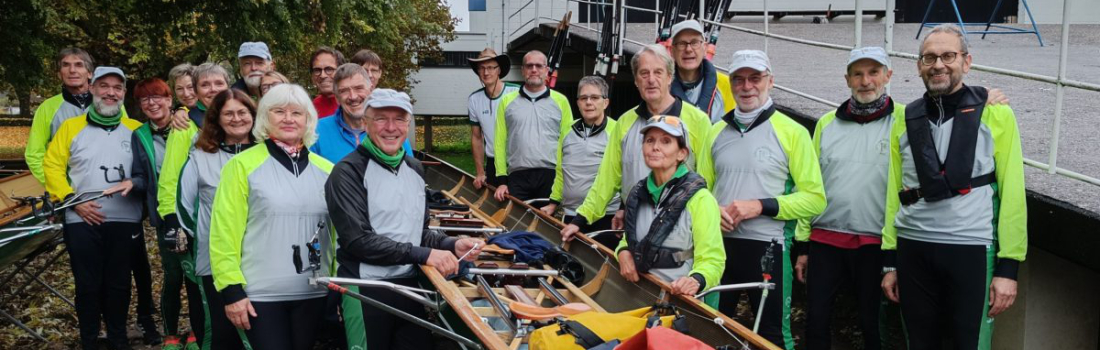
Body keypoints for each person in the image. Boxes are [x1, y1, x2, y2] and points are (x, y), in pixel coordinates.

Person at [880, 24, 1027, 350]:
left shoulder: (996, 114)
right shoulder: (904, 119)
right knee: (918, 342)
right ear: (919, 65)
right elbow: (894, 192)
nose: (938, 65)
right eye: (929, 57)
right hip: (913, 248)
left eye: (948, 56)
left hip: (970, 247)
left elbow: (1013, 193)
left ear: (966, 61)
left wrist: (1008, 268)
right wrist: (890, 261)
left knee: (970, 344)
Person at [325, 88, 482, 350]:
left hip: (408, 285)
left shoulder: (414, 169)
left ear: (408, 125)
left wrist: (452, 245)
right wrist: (424, 255)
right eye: (380, 118)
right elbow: (358, 241)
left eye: (399, 119)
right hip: (365, 288)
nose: (391, 127)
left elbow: (417, 233)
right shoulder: (347, 172)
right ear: (366, 122)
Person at [694, 50, 826, 350]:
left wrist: (760, 205)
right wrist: (712, 209)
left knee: (774, 337)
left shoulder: (793, 132)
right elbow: (700, 190)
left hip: (769, 248)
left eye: (755, 78)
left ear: (771, 81)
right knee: (712, 329)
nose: (746, 86)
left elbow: (815, 199)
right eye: (738, 79)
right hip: (719, 247)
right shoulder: (716, 132)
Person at [209, 84, 334, 350]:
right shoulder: (241, 166)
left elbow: (338, 236)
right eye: (279, 111)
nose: (288, 119)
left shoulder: (329, 171)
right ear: (265, 117)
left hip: (315, 291)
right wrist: (231, 290)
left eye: (297, 113)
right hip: (260, 295)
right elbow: (223, 233)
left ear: (308, 120)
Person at [793, 47, 899, 350]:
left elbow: (947, 106)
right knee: (816, 319)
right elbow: (809, 187)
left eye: (874, 72)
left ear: (888, 76)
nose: (866, 81)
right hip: (826, 239)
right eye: (858, 74)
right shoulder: (826, 123)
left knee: (871, 322)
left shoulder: (905, 120)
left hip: (875, 241)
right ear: (847, 79)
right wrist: (803, 244)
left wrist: (986, 99)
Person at [561, 44, 711, 242]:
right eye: (643, 73)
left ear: (669, 78)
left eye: (658, 72)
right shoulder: (624, 122)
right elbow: (607, 178)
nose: (651, 80)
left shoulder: (698, 121)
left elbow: (707, 182)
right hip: (634, 229)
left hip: (682, 232)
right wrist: (580, 220)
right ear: (636, 81)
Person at [43, 67, 144, 350]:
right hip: (81, 219)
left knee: (119, 284)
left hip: (126, 220)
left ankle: (118, 338)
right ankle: (88, 339)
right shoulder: (70, 128)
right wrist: (71, 200)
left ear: (123, 93)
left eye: (117, 87)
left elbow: (150, 170)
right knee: (87, 285)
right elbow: (52, 166)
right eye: (104, 86)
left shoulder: (137, 130)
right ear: (92, 89)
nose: (110, 92)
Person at [615, 115, 725, 308]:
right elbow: (629, 240)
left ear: (682, 153)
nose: (655, 147)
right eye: (650, 140)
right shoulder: (638, 193)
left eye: (666, 141)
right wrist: (623, 252)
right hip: (640, 294)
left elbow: (713, 260)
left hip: (680, 304)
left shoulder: (701, 200)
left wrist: (696, 280)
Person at [178, 89, 259, 350]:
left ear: (254, 116)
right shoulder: (201, 157)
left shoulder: (267, 155)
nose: (236, 119)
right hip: (215, 264)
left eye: (242, 112)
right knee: (221, 335)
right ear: (217, 119)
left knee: (259, 333)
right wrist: (203, 238)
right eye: (228, 113)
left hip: (261, 261)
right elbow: (184, 207)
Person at [27, 48, 129, 185]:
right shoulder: (47, 108)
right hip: (68, 195)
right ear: (59, 74)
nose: (72, 70)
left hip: (110, 184)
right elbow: (34, 154)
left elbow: (126, 143)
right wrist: (58, 187)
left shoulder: (111, 102)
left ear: (89, 73)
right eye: (66, 65)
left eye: (79, 65)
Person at [540, 76, 620, 248]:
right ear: (578, 103)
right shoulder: (568, 130)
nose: (588, 103)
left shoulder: (617, 130)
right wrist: (553, 202)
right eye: (584, 98)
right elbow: (561, 170)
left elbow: (623, 176)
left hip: (606, 217)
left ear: (605, 103)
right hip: (571, 214)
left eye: (594, 98)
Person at [158, 63, 233, 235]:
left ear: (228, 87)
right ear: (197, 92)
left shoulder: (242, 118)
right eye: (205, 85)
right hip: (203, 218)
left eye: (218, 84)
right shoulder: (185, 126)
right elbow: (171, 173)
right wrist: (171, 216)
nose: (212, 89)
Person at [492, 50, 574, 201]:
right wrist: (502, 181)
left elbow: (569, 143)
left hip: (551, 175)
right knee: (516, 223)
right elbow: (499, 143)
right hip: (517, 176)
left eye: (539, 66)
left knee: (547, 224)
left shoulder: (561, 101)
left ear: (547, 70)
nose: (534, 70)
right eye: (529, 66)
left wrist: (565, 179)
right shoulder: (506, 102)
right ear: (523, 70)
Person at [311, 64, 411, 162]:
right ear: (337, 98)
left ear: (371, 90)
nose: (353, 96)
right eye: (344, 91)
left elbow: (408, 173)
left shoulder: (392, 132)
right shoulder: (316, 131)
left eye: (359, 88)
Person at [466, 48, 519, 189]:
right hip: (493, 163)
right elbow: (477, 137)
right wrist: (479, 172)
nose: (486, 72)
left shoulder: (516, 93)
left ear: (499, 70)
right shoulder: (474, 99)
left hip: (518, 162)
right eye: (481, 68)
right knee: (495, 208)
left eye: (490, 67)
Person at [351, 49, 417, 151]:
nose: (369, 75)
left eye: (374, 70)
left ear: (380, 73)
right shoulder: (346, 108)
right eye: (364, 70)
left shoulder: (393, 103)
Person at [668, 20, 732, 122]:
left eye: (695, 43)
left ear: (705, 48)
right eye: (681, 43)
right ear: (671, 51)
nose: (688, 49)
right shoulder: (661, 86)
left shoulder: (727, 85)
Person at [309, 46, 345, 118]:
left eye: (329, 69)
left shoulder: (355, 103)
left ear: (341, 72)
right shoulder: (310, 109)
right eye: (317, 70)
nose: (322, 75)